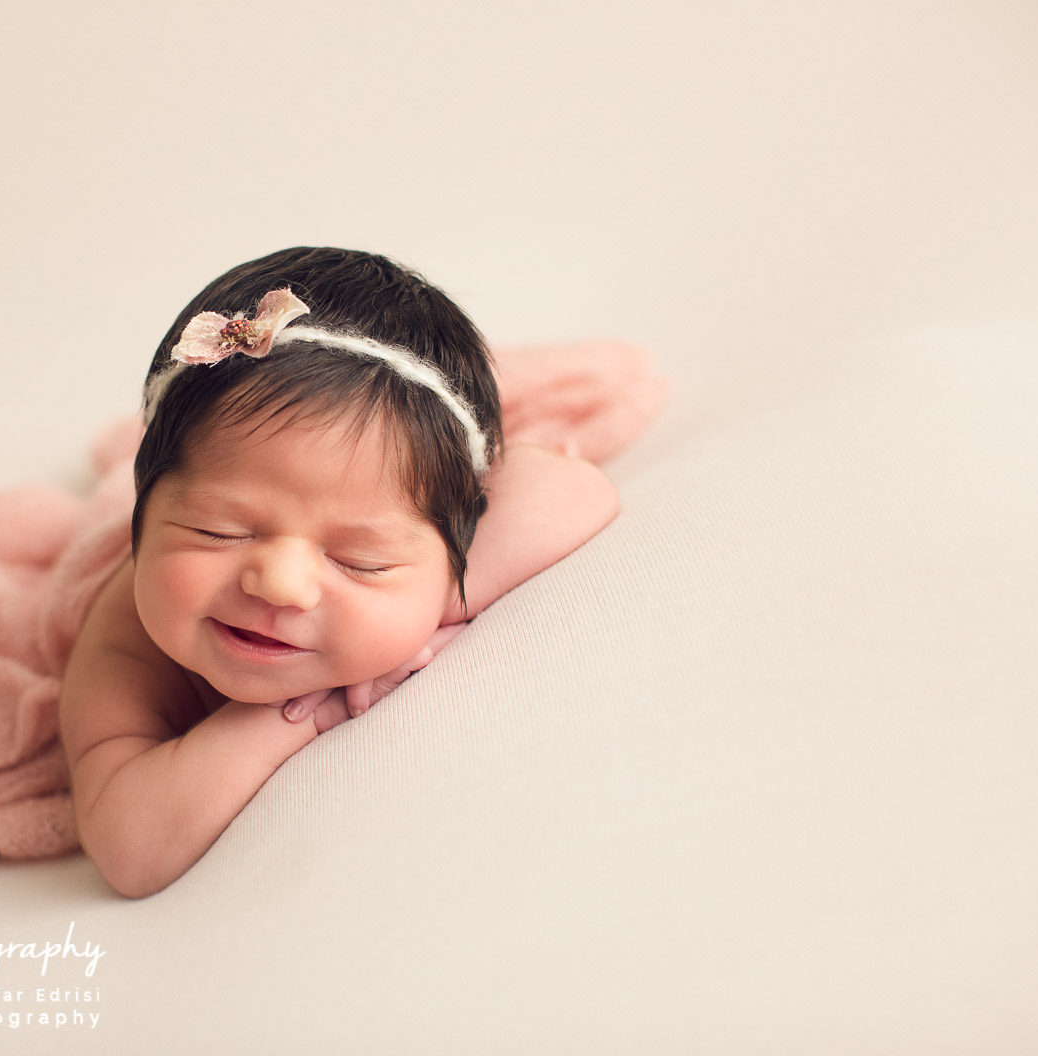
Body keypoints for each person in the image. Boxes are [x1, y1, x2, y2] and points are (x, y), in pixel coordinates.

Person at [58, 247, 620, 898]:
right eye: (220, 530)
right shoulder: (126, 628)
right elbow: (130, 846)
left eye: (360, 561)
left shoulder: (440, 554)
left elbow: (576, 488)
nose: (279, 583)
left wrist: (432, 599)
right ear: (144, 510)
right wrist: (298, 714)